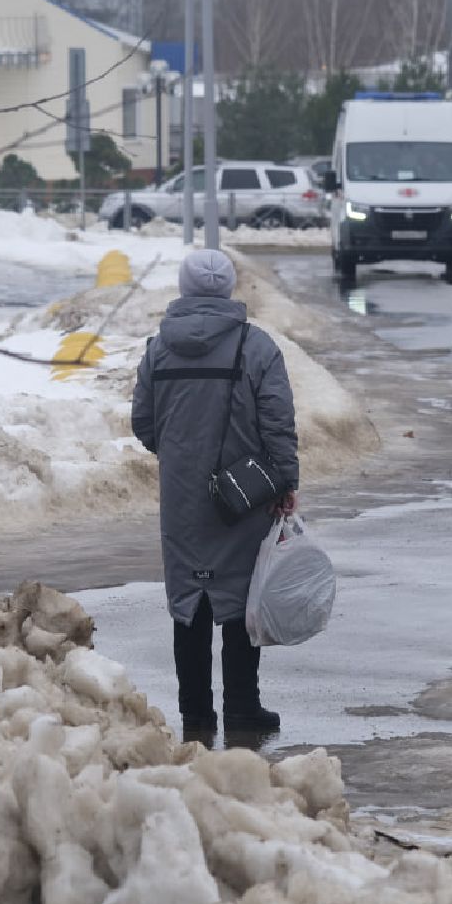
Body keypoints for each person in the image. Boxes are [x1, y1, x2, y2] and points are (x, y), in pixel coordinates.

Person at [131, 249, 299, 743]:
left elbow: (143, 421)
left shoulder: (158, 348)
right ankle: (243, 709)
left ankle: (196, 715)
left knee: (190, 600)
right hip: (244, 495)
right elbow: (278, 422)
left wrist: (180, 455)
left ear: (184, 288)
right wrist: (284, 480)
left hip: (181, 496)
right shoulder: (258, 347)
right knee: (241, 598)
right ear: (228, 289)